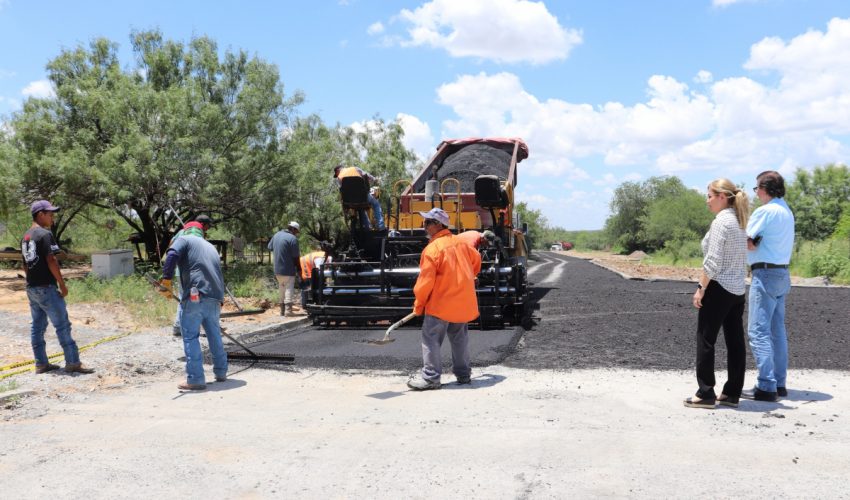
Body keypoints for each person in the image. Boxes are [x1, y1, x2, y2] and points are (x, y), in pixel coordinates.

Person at [684, 179, 749, 409]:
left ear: (722, 196)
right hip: (738, 289)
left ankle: (706, 393)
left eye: (710, 195)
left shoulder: (722, 222)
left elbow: (712, 261)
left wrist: (701, 288)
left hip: (719, 287)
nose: (707, 200)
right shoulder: (740, 220)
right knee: (735, 341)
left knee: (705, 339)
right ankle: (732, 393)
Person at [407, 207, 482, 391]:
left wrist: (419, 305)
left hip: (440, 304)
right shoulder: (462, 243)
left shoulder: (432, 249)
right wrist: (466, 277)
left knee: (431, 338)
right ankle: (464, 375)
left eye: (427, 222)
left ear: (438, 225)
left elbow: (425, 282)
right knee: (459, 339)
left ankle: (431, 378)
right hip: (462, 302)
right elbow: (476, 259)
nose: (424, 226)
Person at [21, 200, 94, 375]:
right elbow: (51, 260)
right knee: (62, 325)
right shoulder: (45, 234)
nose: (53, 217)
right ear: (40, 215)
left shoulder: (26, 236)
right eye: (50, 214)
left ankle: (41, 363)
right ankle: (73, 362)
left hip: (32, 287)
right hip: (47, 287)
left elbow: (25, 263)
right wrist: (62, 284)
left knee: (37, 327)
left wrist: (30, 281)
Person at [742, 171, 795, 402]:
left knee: (758, 331)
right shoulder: (786, 211)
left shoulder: (765, 211)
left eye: (756, 189)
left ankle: (766, 385)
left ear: (763, 189)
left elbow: (748, 241)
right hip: (782, 272)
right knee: (776, 331)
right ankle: (779, 382)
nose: (756, 193)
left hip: (764, 273)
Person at [158, 223, 227, 391]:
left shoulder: (184, 239)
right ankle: (221, 371)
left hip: (196, 295)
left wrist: (166, 280)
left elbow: (172, 253)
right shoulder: (210, 246)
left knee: (190, 336)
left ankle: (195, 379)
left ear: (186, 231)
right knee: (214, 335)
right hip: (215, 297)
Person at [169, 215, 214, 337]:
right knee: (196, 299)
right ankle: (198, 328)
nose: (208, 229)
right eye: (208, 226)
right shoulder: (197, 235)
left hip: (180, 272)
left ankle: (178, 327)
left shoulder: (181, 232)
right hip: (193, 273)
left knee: (183, 298)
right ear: (203, 224)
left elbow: (171, 245)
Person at [333, 164, 386, 230]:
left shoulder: (339, 178)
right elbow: (367, 176)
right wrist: (375, 179)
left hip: (349, 201)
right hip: (363, 197)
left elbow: (342, 191)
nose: (337, 175)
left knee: (360, 208)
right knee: (376, 204)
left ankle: (367, 228)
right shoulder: (354, 169)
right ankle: (381, 226)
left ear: (338, 170)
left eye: (336, 174)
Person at [268, 221, 303, 316]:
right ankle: (288, 311)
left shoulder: (276, 235)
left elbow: (270, 247)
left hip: (277, 270)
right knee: (288, 288)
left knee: (281, 287)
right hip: (288, 270)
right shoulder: (292, 239)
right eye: (296, 231)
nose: (296, 233)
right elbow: (296, 257)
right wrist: (299, 270)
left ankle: (282, 311)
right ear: (293, 229)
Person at [299, 241, 332, 309]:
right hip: (304, 265)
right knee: (307, 286)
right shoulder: (321, 257)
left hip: (307, 265)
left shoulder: (325, 256)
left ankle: (310, 302)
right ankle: (305, 304)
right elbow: (318, 269)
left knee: (312, 284)